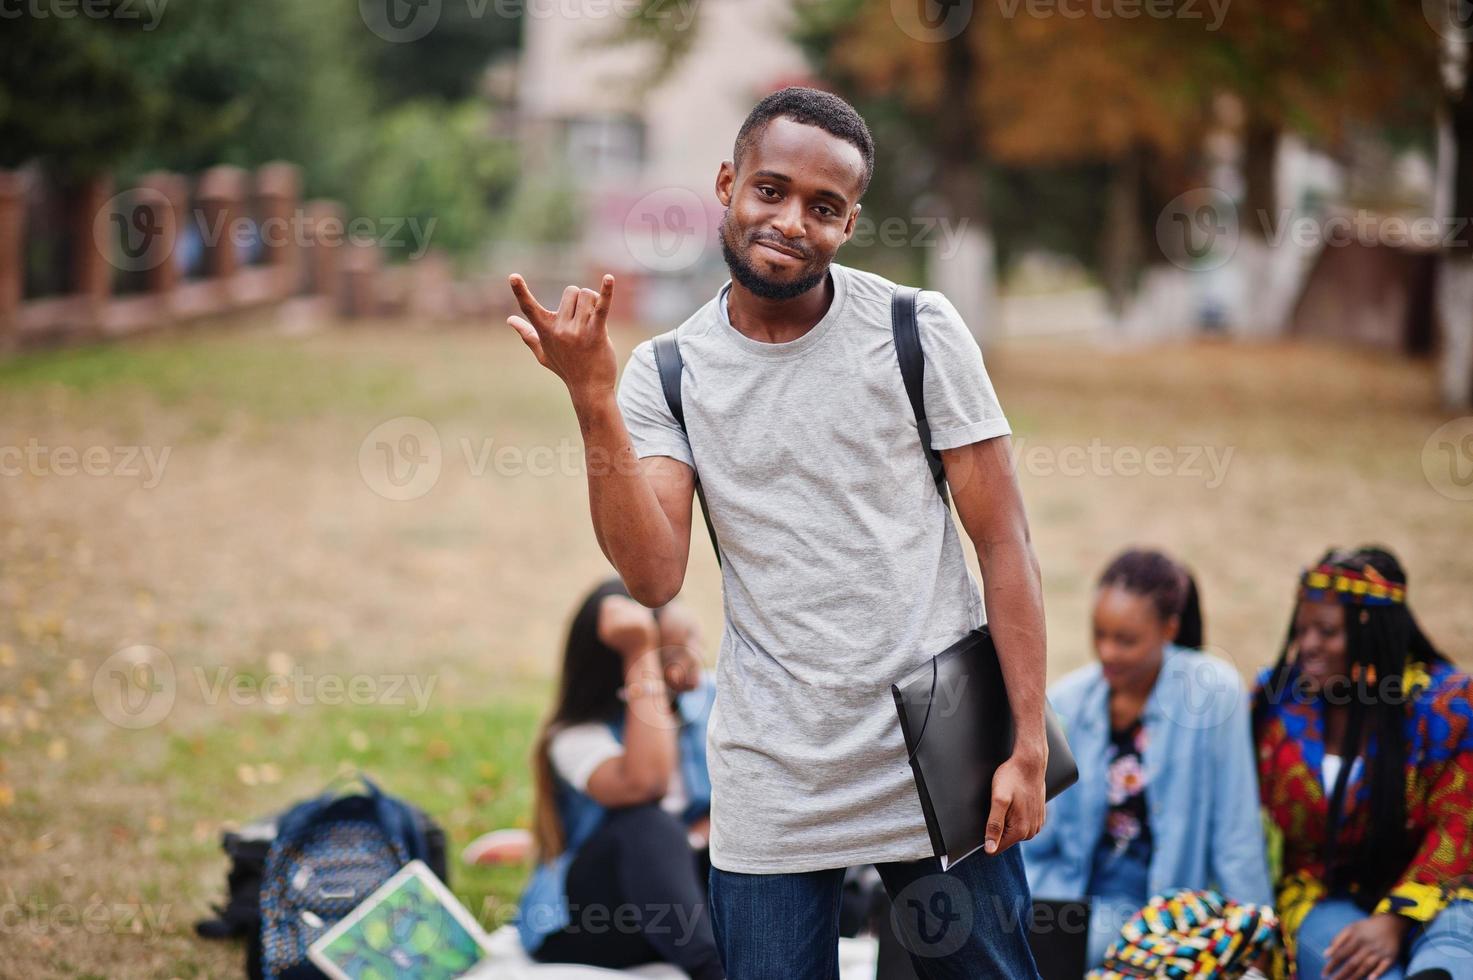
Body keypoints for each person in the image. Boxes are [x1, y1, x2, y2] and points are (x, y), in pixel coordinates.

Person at [506, 86, 1048, 978]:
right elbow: (651, 576)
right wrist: (592, 398)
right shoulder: (668, 373)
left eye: (823, 206)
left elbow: (1005, 545)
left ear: (849, 221)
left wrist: (1023, 746)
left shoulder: (917, 331)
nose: (791, 220)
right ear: (727, 184)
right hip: (773, 765)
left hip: (944, 738)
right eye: (770, 190)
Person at [1023, 549, 1274, 968]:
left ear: (1169, 630)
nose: (1107, 652)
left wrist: (1255, 936)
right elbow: (1037, 843)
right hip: (1075, 901)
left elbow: (1236, 834)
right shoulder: (1068, 702)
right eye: (1099, 634)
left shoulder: (1212, 695)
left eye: (1126, 640)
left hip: (1168, 907)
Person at [1254, 546, 1473, 980]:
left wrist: (1397, 917)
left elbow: (1459, 825)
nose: (1309, 646)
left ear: (1373, 634)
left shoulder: (1446, 706)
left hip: (1442, 892)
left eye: (1327, 632)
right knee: (1358, 969)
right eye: (1302, 630)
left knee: (1449, 962)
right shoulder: (1277, 705)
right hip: (1324, 894)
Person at [516, 578, 723, 980]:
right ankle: (714, 970)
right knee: (645, 824)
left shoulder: (715, 699)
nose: (693, 659)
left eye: (693, 638)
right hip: (601, 921)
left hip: (685, 906)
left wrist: (694, 839)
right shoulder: (576, 736)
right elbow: (645, 784)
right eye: (670, 652)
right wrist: (640, 649)